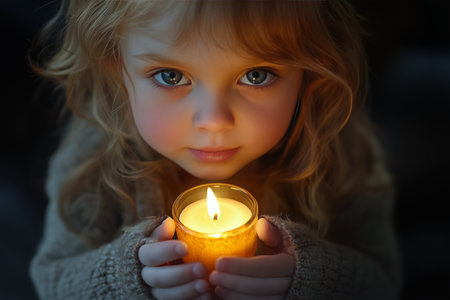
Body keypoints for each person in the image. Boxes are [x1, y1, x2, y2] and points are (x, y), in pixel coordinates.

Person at [29, 0, 403, 299]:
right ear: (115, 67)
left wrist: (314, 277)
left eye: (256, 75)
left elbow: (383, 282)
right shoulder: (95, 158)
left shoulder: (339, 153)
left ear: (311, 70)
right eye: (171, 76)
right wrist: (131, 277)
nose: (214, 120)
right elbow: (52, 279)